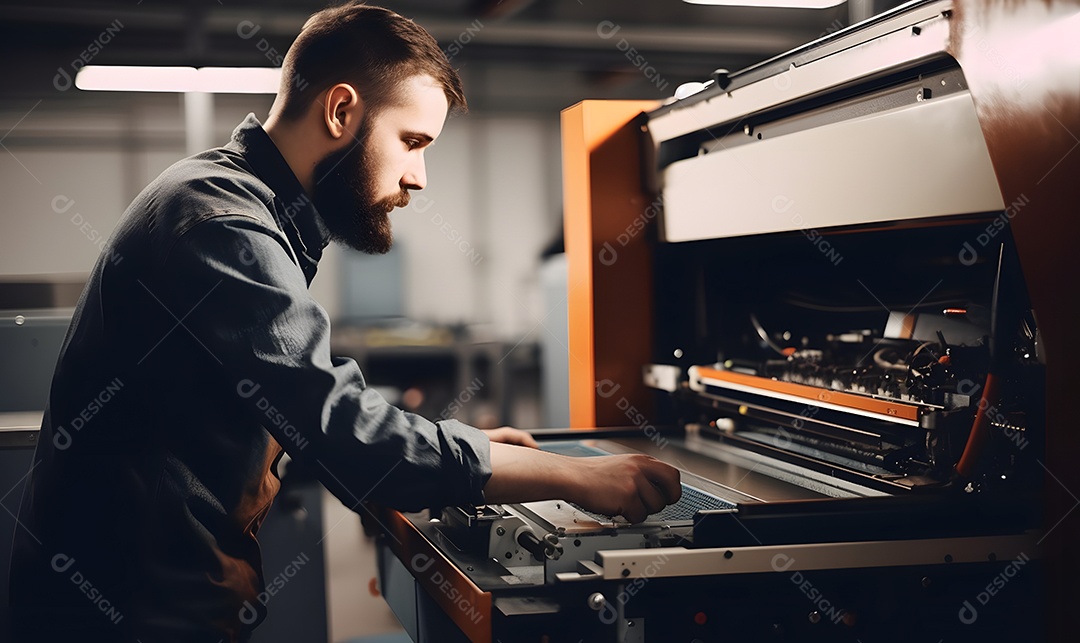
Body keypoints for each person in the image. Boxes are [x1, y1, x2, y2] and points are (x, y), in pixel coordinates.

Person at [8, 3, 681, 642]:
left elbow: (298, 409)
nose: (419, 177)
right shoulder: (223, 225)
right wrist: (577, 476)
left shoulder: (233, 202)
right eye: (412, 141)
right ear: (340, 111)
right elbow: (341, 428)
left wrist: (469, 451)